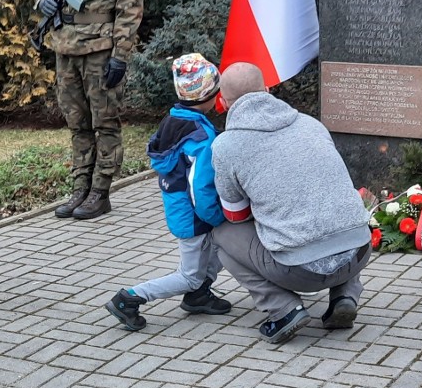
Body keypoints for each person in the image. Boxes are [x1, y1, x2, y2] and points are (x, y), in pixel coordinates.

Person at [210, 62, 372, 344]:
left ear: (222, 102)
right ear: (268, 89)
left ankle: (283, 310)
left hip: (300, 272)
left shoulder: (226, 146)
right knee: (338, 219)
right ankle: (345, 296)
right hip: (359, 252)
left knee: (222, 235)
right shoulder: (311, 124)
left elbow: (234, 215)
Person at [34, 0, 144, 220]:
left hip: (100, 49)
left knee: (104, 123)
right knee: (77, 123)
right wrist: (43, 0)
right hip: (65, 48)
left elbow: (131, 7)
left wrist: (120, 54)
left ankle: (100, 192)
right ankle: (80, 188)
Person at [105, 53, 231, 331]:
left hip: (180, 208)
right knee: (188, 274)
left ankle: (199, 295)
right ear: (208, 95)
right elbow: (200, 187)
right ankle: (130, 298)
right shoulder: (200, 136)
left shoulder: (174, 120)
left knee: (220, 250)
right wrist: (217, 216)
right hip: (195, 215)